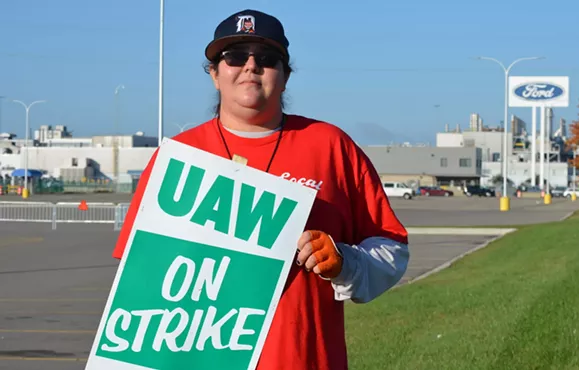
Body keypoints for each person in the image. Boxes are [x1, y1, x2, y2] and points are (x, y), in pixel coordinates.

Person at [112, 9, 410, 370]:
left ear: (285, 77)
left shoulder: (331, 146)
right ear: (214, 74)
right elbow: (141, 282)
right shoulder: (177, 158)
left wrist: (345, 264)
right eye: (235, 56)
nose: (251, 66)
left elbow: (392, 250)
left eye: (267, 59)